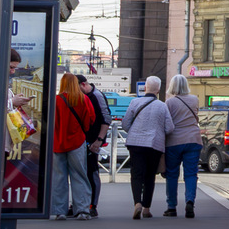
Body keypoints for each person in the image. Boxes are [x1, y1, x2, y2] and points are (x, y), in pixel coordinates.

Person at [121, 76, 174, 219]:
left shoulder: (134, 102)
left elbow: (125, 124)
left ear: (145, 88)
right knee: (150, 176)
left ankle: (137, 203)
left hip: (135, 143)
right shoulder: (162, 106)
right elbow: (169, 128)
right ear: (158, 90)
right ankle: (146, 208)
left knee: (136, 174)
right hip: (154, 144)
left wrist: (136, 130)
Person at [50, 73, 94, 220]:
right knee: (79, 175)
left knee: (59, 177)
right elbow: (90, 119)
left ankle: (59, 211)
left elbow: (51, 122)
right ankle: (82, 210)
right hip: (77, 142)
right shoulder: (83, 99)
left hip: (58, 142)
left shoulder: (56, 100)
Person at [163, 75, 203, 218]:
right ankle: (190, 201)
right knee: (191, 174)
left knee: (172, 174)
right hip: (193, 139)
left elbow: (167, 123)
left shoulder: (170, 102)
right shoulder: (194, 99)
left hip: (174, 141)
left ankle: (171, 207)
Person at [78, 76, 110, 217]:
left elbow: (106, 119)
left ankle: (92, 205)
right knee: (80, 173)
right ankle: (81, 203)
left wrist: (99, 140)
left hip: (92, 142)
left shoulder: (97, 96)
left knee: (91, 172)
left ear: (83, 84)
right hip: (81, 141)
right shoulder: (82, 96)